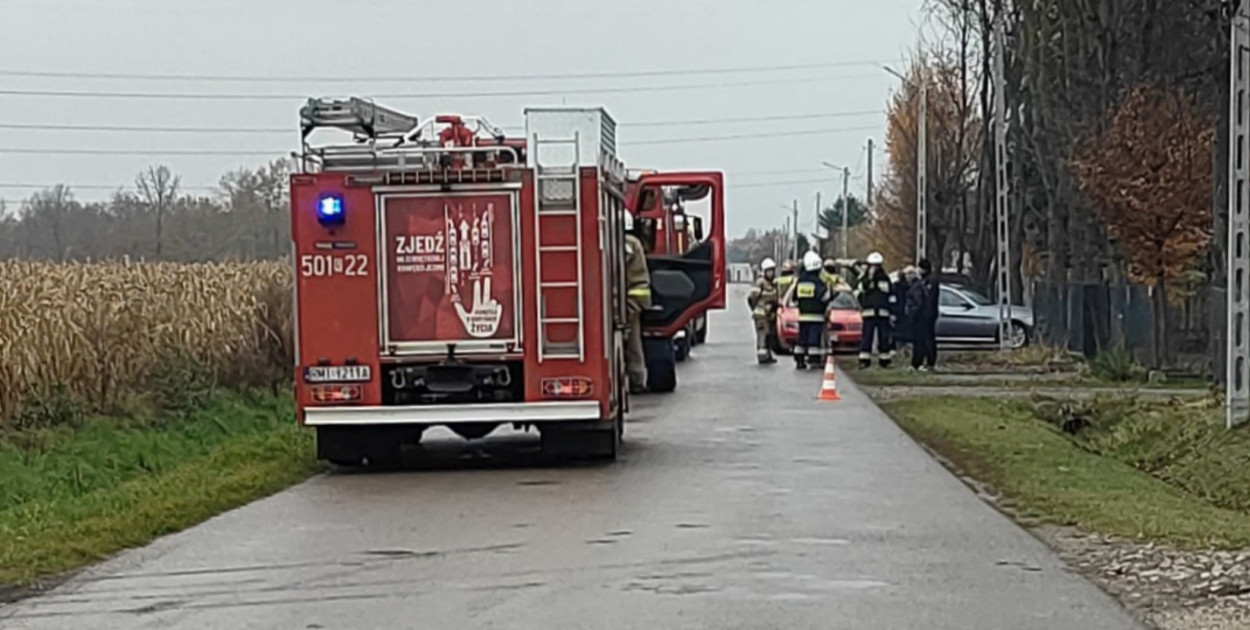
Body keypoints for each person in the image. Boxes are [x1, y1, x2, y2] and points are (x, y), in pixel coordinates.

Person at [784, 251, 834, 370]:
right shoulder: (818, 282)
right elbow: (825, 297)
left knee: (801, 339)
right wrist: (831, 291)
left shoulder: (800, 282)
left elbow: (794, 299)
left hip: (802, 316)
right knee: (814, 340)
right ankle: (814, 359)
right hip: (817, 317)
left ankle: (799, 360)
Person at [623, 212, 652, 393]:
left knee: (632, 343)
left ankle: (636, 380)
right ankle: (636, 380)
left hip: (630, 301)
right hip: (629, 301)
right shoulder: (633, 243)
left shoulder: (630, 244)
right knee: (633, 344)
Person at [855, 251, 895, 369]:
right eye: (872, 265)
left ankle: (884, 360)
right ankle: (864, 360)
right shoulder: (864, 278)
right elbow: (861, 289)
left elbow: (890, 293)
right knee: (867, 336)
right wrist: (870, 278)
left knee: (884, 337)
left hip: (883, 312)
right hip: (868, 312)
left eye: (876, 266)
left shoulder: (885, 278)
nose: (874, 268)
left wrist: (892, 311)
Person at [907, 258, 941, 371]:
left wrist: (913, 314)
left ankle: (925, 362)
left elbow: (922, 300)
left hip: (924, 316)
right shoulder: (930, 281)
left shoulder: (927, 282)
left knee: (924, 340)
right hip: (929, 314)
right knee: (927, 339)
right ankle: (926, 362)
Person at [747, 258, 780, 365]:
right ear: (764, 271)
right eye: (769, 271)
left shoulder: (773, 283)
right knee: (762, 335)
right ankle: (762, 357)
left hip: (770, 315)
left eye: (772, 270)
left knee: (769, 336)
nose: (771, 273)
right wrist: (757, 308)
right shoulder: (760, 283)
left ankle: (768, 355)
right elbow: (752, 298)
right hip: (761, 315)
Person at [891, 265, 919, 351]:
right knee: (897, 335)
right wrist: (893, 312)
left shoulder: (917, 286)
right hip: (899, 314)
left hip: (911, 315)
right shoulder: (897, 286)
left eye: (912, 274)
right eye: (908, 274)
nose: (910, 276)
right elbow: (892, 300)